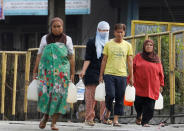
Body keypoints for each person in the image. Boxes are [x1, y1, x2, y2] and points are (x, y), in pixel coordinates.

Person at [33, 17, 75, 130]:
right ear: (51, 28)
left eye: (59, 26)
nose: (57, 29)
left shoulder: (67, 39)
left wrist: (72, 73)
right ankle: (45, 118)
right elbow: (39, 55)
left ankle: (54, 123)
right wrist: (35, 70)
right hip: (46, 73)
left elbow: (71, 57)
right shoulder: (45, 39)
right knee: (47, 95)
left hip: (62, 74)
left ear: (62, 27)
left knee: (59, 96)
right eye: (54, 26)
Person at [99, 23, 133, 126]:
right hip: (109, 74)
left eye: (121, 32)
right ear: (114, 32)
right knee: (110, 95)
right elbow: (104, 60)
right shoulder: (108, 44)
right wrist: (101, 75)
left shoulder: (128, 45)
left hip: (122, 75)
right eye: (117, 32)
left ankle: (116, 120)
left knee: (119, 97)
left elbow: (130, 61)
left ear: (124, 33)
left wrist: (131, 76)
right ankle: (108, 110)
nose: (119, 34)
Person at [79, 21, 110, 126]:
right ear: (98, 30)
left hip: (106, 72)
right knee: (90, 97)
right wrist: (83, 70)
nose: (104, 32)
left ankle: (104, 118)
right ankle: (89, 118)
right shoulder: (92, 42)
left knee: (105, 97)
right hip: (92, 71)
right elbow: (88, 58)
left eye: (106, 30)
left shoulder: (110, 43)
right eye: (102, 30)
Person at [132, 39, 164, 127]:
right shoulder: (138, 57)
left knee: (150, 105)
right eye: (147, 45)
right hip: (139, 84)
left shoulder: (156, 58)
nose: (148, 46)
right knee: (138, 102)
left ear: (153, 47)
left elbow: (161, 72)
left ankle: (145, 122)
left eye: (150, 45)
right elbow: (132, 69)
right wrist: (130, 79)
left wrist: (161, 84)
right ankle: (139, 115)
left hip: (153, 85)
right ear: (144, 46)